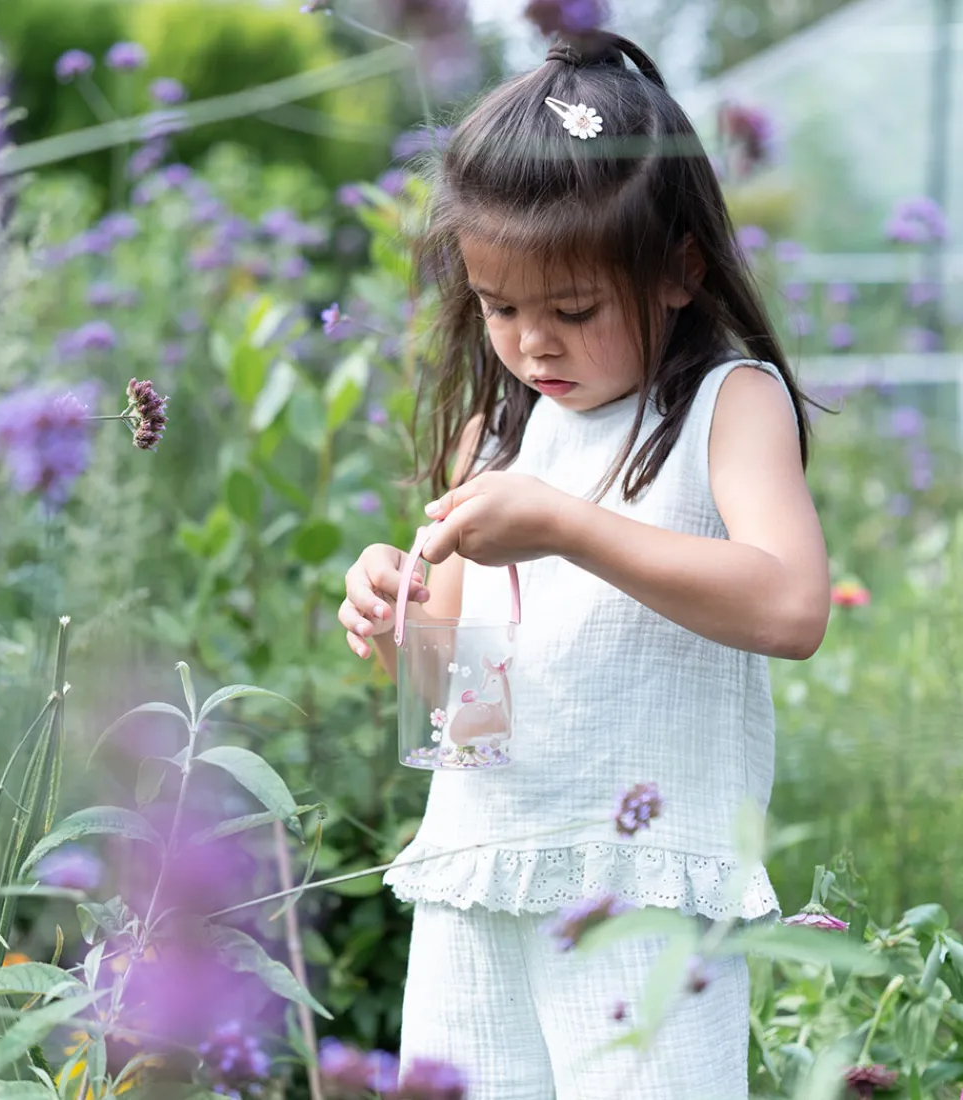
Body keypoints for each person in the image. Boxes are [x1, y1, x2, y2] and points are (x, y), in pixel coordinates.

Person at [338, 27, 830, 1100]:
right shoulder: (496, 438)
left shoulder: (723, 406)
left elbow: (793, 606)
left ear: (676, 269)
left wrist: (567, 526)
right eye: (498, 308)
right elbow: (458, 704)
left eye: (570, 311)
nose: (531, 346)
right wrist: (397, 616)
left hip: (642, 887)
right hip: (481, 873)